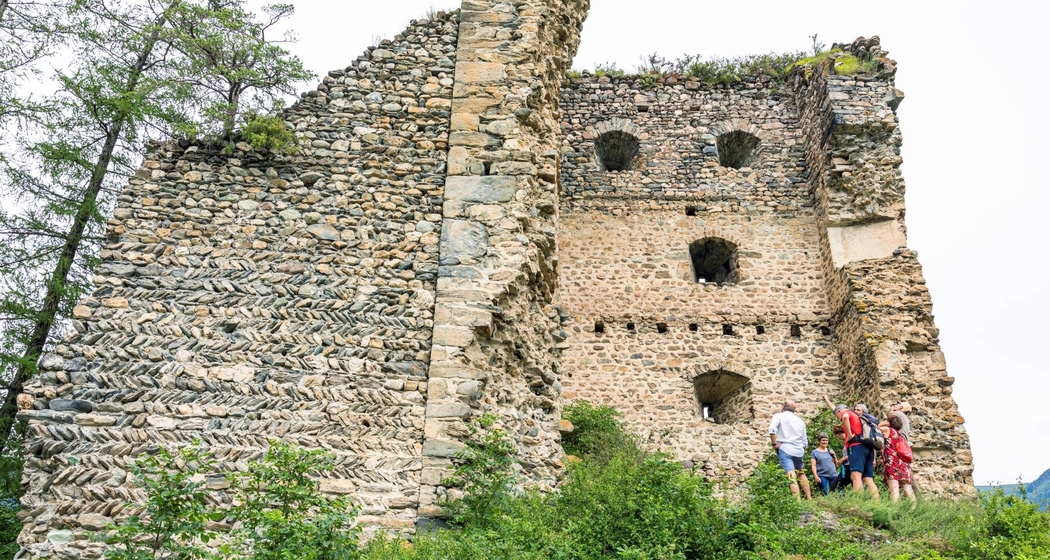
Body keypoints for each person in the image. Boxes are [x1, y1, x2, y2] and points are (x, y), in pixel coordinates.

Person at [823, 395, 880, 499]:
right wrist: (827, 400)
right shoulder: (857, 417)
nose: (839, 418)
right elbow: (835, 409)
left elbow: (844, 416)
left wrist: (849, 435)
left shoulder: (846, 413)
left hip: (857, 447)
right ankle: (876, 503)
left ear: (840, 411)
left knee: (855, 475)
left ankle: (858, 502)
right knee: (868, 479)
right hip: (868, 447)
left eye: (837, 416)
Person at [769, 400, 812, 500]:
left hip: (786, 449)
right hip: (799, 451)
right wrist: (800, 448)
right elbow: (805, 442)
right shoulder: (800, 421)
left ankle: (797, 501)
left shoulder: (778, 416)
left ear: (783, 407)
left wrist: (774, 444)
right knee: (801, 473)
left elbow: (772, 430)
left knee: (791, 475)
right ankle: (809, 498)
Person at [882, 414, 916, 504]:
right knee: (907, 489)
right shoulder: (900, 434)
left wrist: (884, 423)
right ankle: (914, 508)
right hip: (903, 464)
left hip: (892, 463)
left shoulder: (888, 430)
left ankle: (895, 509)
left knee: (894, 490)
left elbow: (876, 428)